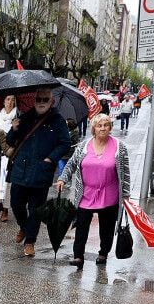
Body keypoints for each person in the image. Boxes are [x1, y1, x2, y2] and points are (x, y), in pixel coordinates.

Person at [55, 114, 131, 270]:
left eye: (106, 125)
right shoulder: (84, 146)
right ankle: (78, 256)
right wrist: (63, 178)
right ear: (93, 129)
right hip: (86, 193)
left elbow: (125, 172)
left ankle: (103, 252)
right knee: (81, 226)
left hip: (109, 194)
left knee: (107, 228)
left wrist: (125, 195)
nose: (102, 128)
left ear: (110, 127)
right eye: (99, 125)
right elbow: (71, 164)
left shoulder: (119, 146)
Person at [5, 86, 72, 257]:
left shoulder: (58, 120)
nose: (41, 103)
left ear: (52, 101)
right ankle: (23, 226)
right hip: (21, 170)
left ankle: (30, 241)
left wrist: (51, 158)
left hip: (41, 172)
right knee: (16, 204)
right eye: (38, 99)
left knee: (35, 209)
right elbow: (10, 141)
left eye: (45, 99)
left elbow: (65, 143)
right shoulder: (24, 117)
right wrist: (13, 129)